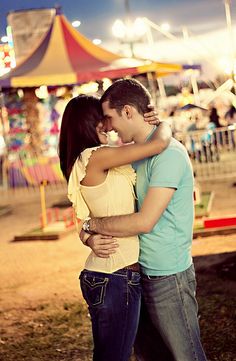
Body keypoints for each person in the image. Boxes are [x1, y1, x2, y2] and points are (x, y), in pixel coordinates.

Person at [82, 79, 207, 361]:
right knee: (151, 356)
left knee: (187, 355)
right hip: (137, 274)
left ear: (128, 111)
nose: (110, 127)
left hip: (168, 276)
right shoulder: (135, 155)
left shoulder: (169, 155)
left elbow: (144, 221)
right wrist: (87, 231)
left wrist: (94, 226)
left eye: (110, 117)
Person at [58, 93, 171, 361]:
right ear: (90, 123)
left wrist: (87, 236)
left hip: (112, 275)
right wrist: (163, 124)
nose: (109, 126)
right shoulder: (94, 157)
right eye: (104, 119)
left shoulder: (93, 159)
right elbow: (158, 145)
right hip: (115, 277)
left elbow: (83, 215)